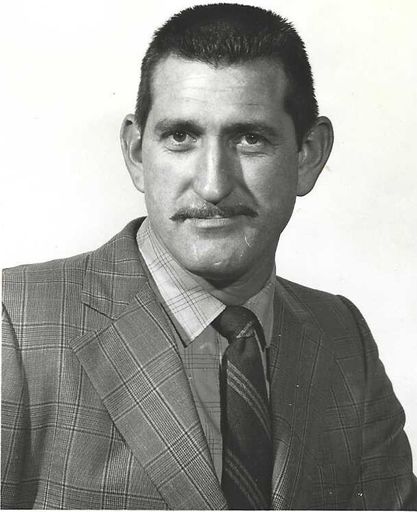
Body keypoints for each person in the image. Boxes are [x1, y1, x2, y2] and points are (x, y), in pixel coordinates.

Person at [2, 3, 416, 510]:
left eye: (250, 138)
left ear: (308, 154)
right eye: (181, 137)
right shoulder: (15, 323)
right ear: (136, 152)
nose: (214, 184)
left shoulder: (343, 336)